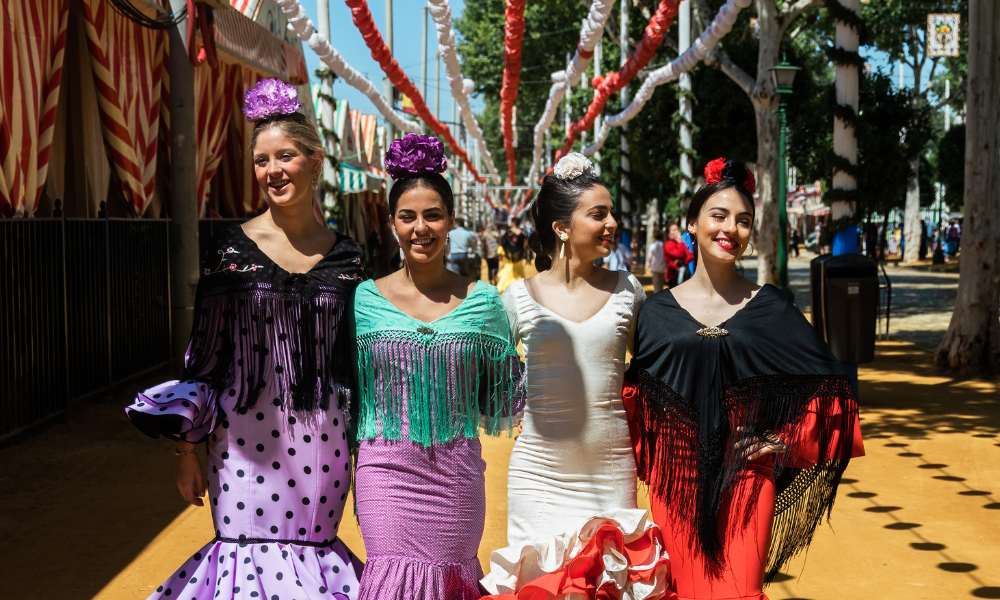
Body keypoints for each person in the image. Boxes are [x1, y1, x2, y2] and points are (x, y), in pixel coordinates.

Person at [123, 79, 364, 600]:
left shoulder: (350, 257)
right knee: (240, 551)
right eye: (261, 161)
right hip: (240, 441)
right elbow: (204, 356)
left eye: (285, 156)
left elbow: (357, 362)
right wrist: (188, 450)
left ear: (315, 160)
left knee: (314, 550)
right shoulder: (229, 250)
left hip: (324, 439)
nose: (272, 171)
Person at [623, 157, 864, 600]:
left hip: (750, 478)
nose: (730, 229)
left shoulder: (773, 307)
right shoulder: (653, 313)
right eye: (719, 216)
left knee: (741, 591)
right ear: (692, 224)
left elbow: (833, 391)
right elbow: (638, 399)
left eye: (743, 221)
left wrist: (784, 441)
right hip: (676, 483)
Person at [481, 153, 669, 599]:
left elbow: (652, 371)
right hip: (539, 476)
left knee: (611, 585)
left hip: (610, 470)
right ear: (562, 228)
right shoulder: (515, 298)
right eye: (598, 214)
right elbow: (492, 378)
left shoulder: (630, 291)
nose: (611, 223)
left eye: (612, 213)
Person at [352, 133, 524, 600]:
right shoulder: (364, 300)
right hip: (385, 471)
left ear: (450, 221)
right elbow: (346, 386)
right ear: (392, 224)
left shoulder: (484, 303)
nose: (420, 227)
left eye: (432, 215)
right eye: (407, 216)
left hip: (454, 478)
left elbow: (502, 397)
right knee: (391, 579)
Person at [497, 217, 529, 293]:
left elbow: (501, 244)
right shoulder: (523, 234)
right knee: (519, 279)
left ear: (513, 223)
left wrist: (500, 255)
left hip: (509, 261)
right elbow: (526, 246)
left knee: (505, 279)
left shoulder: (507, 233)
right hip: (518, 261)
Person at [664, 222, 694, 288]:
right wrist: (680, 242)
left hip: (683, 273)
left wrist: (683, 262)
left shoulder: (680, 243)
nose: (676, 232)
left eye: (677, 229)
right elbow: (678, 254)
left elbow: (690, 256)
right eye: (673, 230)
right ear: (669, 233)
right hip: (674, 275)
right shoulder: (668, 244)